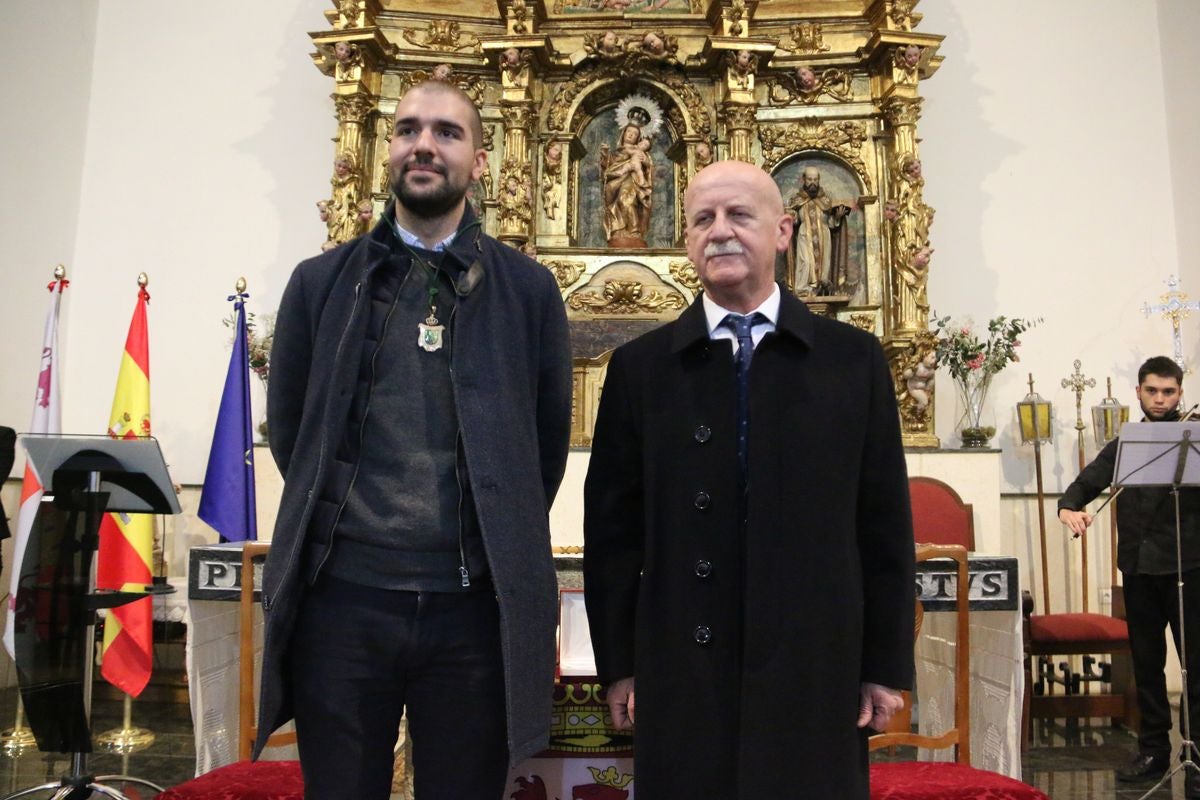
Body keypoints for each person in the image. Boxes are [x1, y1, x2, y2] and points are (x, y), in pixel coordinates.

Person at [254, 79, 573, 800]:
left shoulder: (528, 292)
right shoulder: (319, 284)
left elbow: (541, 447)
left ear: (482, 162)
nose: (423, 144)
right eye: (408, 130)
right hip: (344, 602)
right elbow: (295, 432)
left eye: (447, 132)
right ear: (388, 150)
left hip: (472, 611)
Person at [583, 160, 914, 798]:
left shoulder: (852, 362)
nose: (720, 232)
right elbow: (614, 537)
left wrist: (883, 665)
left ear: (784, 230)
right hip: (680, 665)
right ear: (686, 241)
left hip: (815, 664)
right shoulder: (639, 369)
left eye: (740, 215)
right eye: (702, 219)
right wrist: (619, 667)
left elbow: (884, 529)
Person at [1058, 356, 1200, 797]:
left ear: (1180, 393)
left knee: (1196, 667)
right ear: (1138, 392)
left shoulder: (1194, 438)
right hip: (1138, 567)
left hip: (1190, 566)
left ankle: (1195, 756)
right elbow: (1088, 482)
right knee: (1147, 665)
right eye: (1152, 391)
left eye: (1169, 392)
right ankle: (1154, 750)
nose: (1160, 400)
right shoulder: (1129, 440)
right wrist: (1068, 507)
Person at [787, 165, 852, 296]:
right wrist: (791, 217)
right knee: (805, 262)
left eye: (815, 180)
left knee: (824, 266)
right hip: (805, 236)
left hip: (824, 237)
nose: (812, 183)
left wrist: (837, 217)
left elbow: (832, 224)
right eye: (810, 179)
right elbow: (793, 222)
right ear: (804, 180)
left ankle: (821, 290)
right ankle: (803, 290)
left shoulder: (825, 200)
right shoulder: (797, 200)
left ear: (819, 180)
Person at [599, 122, 654, 247]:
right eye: (629, 131)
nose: (631, 135)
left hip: (632, 180)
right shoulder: (617, 152)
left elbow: (648, 165)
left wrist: (645, 160)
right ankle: (618, 230)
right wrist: (605, 153)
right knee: (616, 203)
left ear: (638, 138)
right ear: (623, 133)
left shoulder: (638, 151)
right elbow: (607, 167)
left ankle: (634, 231)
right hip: (616, 180)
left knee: (626, 201)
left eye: (635, 134)